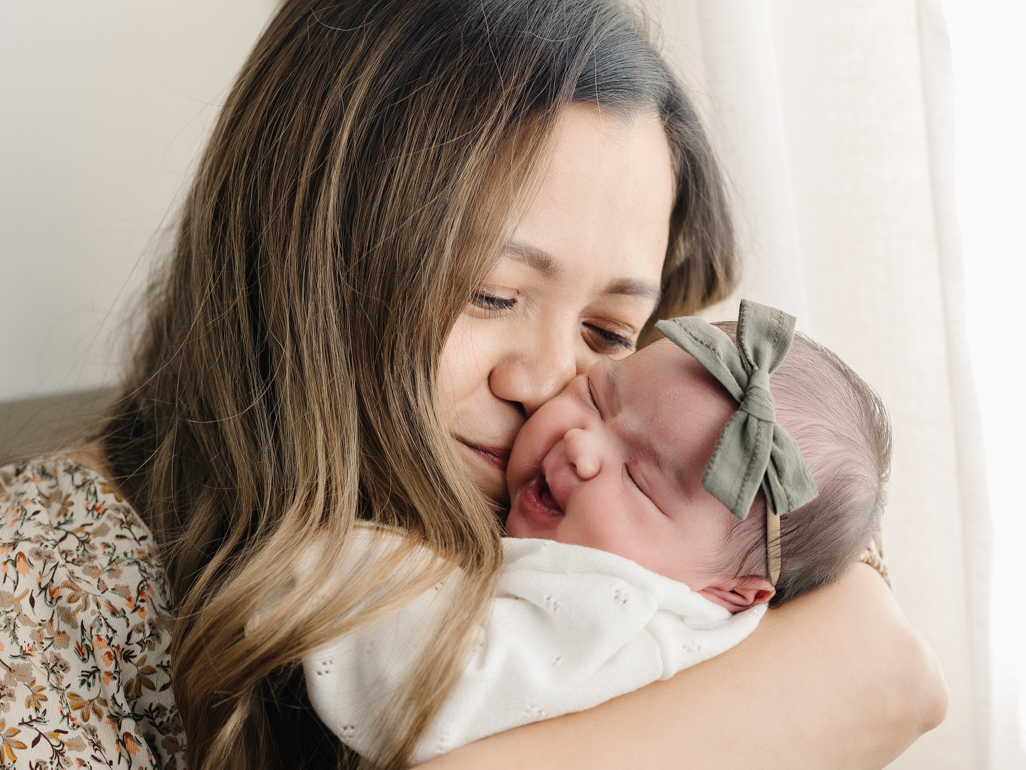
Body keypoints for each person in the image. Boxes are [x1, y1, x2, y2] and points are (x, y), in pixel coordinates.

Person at [0, 1, 945, 769]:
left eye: (610, 331)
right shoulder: (40, 588)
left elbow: (893, 668)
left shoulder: (701, 496)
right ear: (307, 254)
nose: (547, 387)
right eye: (491, 293)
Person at [304, 301, 891, 765]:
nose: (580, 445)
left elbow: (428, 693)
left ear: (731, 593)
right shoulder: (658, 566)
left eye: (639, 479)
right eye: (595, 395)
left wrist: (326, 554)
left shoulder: (620, 610)